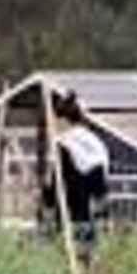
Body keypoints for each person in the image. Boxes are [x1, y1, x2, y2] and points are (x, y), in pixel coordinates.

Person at [44, 90, 110, 259]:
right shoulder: (95, 142)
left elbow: (52, 181)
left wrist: (47, 207)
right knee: (89, 257)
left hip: (69, 210)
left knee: (67, 257)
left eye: (54, 120)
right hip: (93, 210)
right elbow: (101, 179)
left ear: (63, 120)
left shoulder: (63, 144)